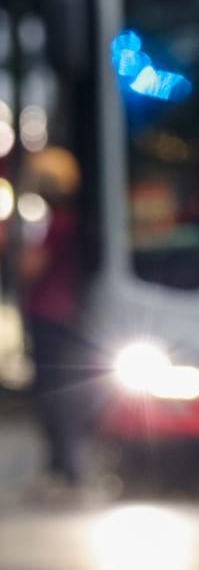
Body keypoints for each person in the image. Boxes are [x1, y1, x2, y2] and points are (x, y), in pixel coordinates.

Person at [20, 147, 93, 498]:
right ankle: (64, 468)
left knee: (56, 395)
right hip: (62, 314)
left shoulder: (59, 223)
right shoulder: (70, 220)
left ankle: (65, 469)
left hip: (50, 315)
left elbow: (32, 268)